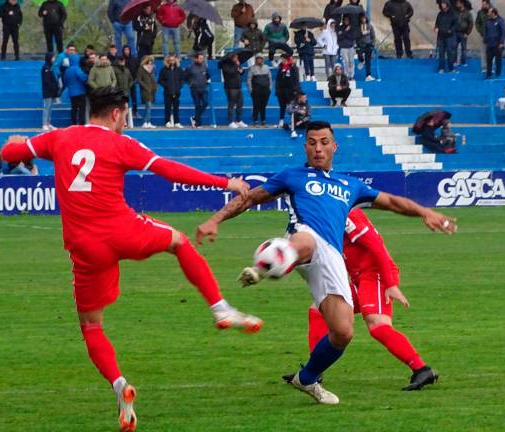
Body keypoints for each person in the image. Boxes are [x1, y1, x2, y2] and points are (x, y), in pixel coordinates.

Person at [1, 86, 262, 431]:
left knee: (92, 326)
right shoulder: (121, 144)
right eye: (125, 115)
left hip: (84, 246)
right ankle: (221, 309)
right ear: (115, 114)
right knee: (179, 242)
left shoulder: (59, 138)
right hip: (122, 231)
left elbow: (8, 152)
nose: (125, 121)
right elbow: (169, 170)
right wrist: (223, 181)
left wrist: (16, 140)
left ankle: (120, 386)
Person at [195, 120, 456, 405]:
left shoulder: (350, 185)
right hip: (304, 238)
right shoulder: (293, 176)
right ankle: (264, 266)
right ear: (305, 146)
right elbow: (249, 199)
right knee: (306, 241)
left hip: (333, 258)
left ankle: (307, 378)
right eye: (312, 142)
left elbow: (392, 201)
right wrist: (214, 220)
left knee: (343, 332)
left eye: (323, 142)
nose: (317, 148)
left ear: (334, 146)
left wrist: (424, 212)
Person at [285, 208, 438, 391]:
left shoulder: (348, 214)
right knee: (318, 310)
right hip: (358, 278)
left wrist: (390, 284)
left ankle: (422, 369)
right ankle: (314, 371)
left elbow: (376, 246)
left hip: (376, 275)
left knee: (377, 325)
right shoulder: (324, 216)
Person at [220, 53, 246, 128]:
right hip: (230, 87)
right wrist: (237, 66)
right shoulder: (225, 65)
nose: (237, 59)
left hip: (238, 86)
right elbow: (230, 73)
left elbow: (241, 72)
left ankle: (239, 120)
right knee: (231, 104)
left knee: (240, 103)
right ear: (231, 58)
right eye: (235, 58)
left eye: (237, 58)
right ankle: (231, 121)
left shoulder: (237, 64)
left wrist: (241, 70)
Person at [185, 52, 210, 128]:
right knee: (197, 105)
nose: (201, 60)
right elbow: (185, 76)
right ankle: (198, 123)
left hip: (203, 88)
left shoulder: (204, 66)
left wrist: (205, 81)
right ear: (195, 59)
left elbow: (208, 75)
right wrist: (190, 83)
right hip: (194, 89)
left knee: (205, 102)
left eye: (202, 58)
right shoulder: (190, 67)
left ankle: (195, 118)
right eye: (200, 58)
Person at [275, 53, 300, 128]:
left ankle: (293, 121)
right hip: (281, 91)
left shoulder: (292, 67)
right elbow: (278, 79)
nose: (281, 60)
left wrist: (296, 89)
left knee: (291, 107)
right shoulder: (280, 67)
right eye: (281, 59)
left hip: (290, 91)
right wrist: (277, 89)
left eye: (282, 58)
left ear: (286, 59)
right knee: (282, 106)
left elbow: (296, 79)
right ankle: (281, 120)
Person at [63, 53, 89, 125]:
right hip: (80, 91)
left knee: (74, 108)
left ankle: (73, 123)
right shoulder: (77, 68)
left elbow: (65, 81)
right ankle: (81, 123)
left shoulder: (67, 70)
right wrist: (87, 76)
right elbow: (82, 77)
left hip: (71, 92)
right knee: (81, 108)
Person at [158, 55, 183, 128]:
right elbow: (160, 80)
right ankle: (167, 121)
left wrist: (179, 86)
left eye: (173, 60)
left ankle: (177, 122)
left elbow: (182, 79)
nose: (172, 61)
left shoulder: (179, 69)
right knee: (167, 107)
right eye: (170, 60)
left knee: (176, 108)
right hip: (167, 92)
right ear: (168, 61)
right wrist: (166, 86)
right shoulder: (163, 69)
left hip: (177, 92)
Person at [247, 55, 271, 126]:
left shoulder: (266, 67)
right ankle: (255, 120)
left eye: (261, 59)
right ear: (256, 60)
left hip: (266, 90)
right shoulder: (252, 68)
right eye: (258, 59)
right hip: (256, 90)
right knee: (256, 106)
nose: (259, 60)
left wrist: (269, 88)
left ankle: (263, 120)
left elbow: (270, 78)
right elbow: (249, 79)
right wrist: (251, 90)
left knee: (263, 106)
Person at [435, 1, 458, 74]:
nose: (442, 5)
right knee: (441, 53)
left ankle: (451, 68)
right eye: (441, 4)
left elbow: (456, 24)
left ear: (447, 5)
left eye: (443, 3)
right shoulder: (440, 14)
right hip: (440, 36)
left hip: (449, 37)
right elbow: (437, 23)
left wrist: (451, 30)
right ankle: (441, 68)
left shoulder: (452, 14)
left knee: (450, 53)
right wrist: (436, 27)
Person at [484, 7, 505, 79]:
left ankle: (498, 73)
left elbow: (503, 32)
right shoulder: (488, 21)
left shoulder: (500, 21)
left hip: (497, 44)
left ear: (493, 13)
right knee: (489, 59)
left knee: (498, 60)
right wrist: (485, 39)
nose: (488, 13)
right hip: (489, 44)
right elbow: (486, 31)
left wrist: (501, 42)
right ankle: (489, 74)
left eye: (489, 12)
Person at [137, 55, 157, 128]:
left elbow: (154, 79)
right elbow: (139, 79)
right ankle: (145, 122)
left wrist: (155, 87)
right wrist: (145, 86)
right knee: (148, 106)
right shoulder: (141, 69)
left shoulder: (152, 69)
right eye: (150, 61)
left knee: (149, 107)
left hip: (152, 90)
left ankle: (148, 122)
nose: (151, 62)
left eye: (152, 61)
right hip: (145, 91)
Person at [41, 52, 59, 131]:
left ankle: (48, 123)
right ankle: (44, 124)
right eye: (53, 57)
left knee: (50, 108)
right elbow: (46, 80)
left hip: (52, 92)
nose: (54, 59)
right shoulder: (45, 68)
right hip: (47, 92)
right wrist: (52, 87)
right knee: (47, 107)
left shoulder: (50, 67)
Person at [453, 0, 472, 67]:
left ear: (462, 4)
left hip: (463, 33)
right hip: (455, 32)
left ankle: (463, 61)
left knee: (464, 48)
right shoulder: (455, 12)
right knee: (454, 47)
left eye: (458, 3)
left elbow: (470, 24)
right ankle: (454, 61)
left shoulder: (467, 13)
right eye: (456, 3)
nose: (457, 4)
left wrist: (467, 33)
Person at [356, 15, 376, 81]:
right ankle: (362, 60)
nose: (363, 19)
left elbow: (373, 36)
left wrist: (372, 44)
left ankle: (368, 75)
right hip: (360, 45)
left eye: (364, 18)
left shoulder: (369, 26)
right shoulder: (358, 27)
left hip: (368, 45)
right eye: (362, 18)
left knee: (368, 61)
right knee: (359, 55)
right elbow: (356, 36)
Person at [475, 0, 491, 75]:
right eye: (482, 4)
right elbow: (477, 23)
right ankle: (484, 67)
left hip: (492, 36)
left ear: (488, 4)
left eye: (484, 4)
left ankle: (490, 67)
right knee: (483, 51)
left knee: (491, 52)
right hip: (483, 35)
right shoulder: (480, 12)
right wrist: (480, 31)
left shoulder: (492, 11)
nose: (483, 6)